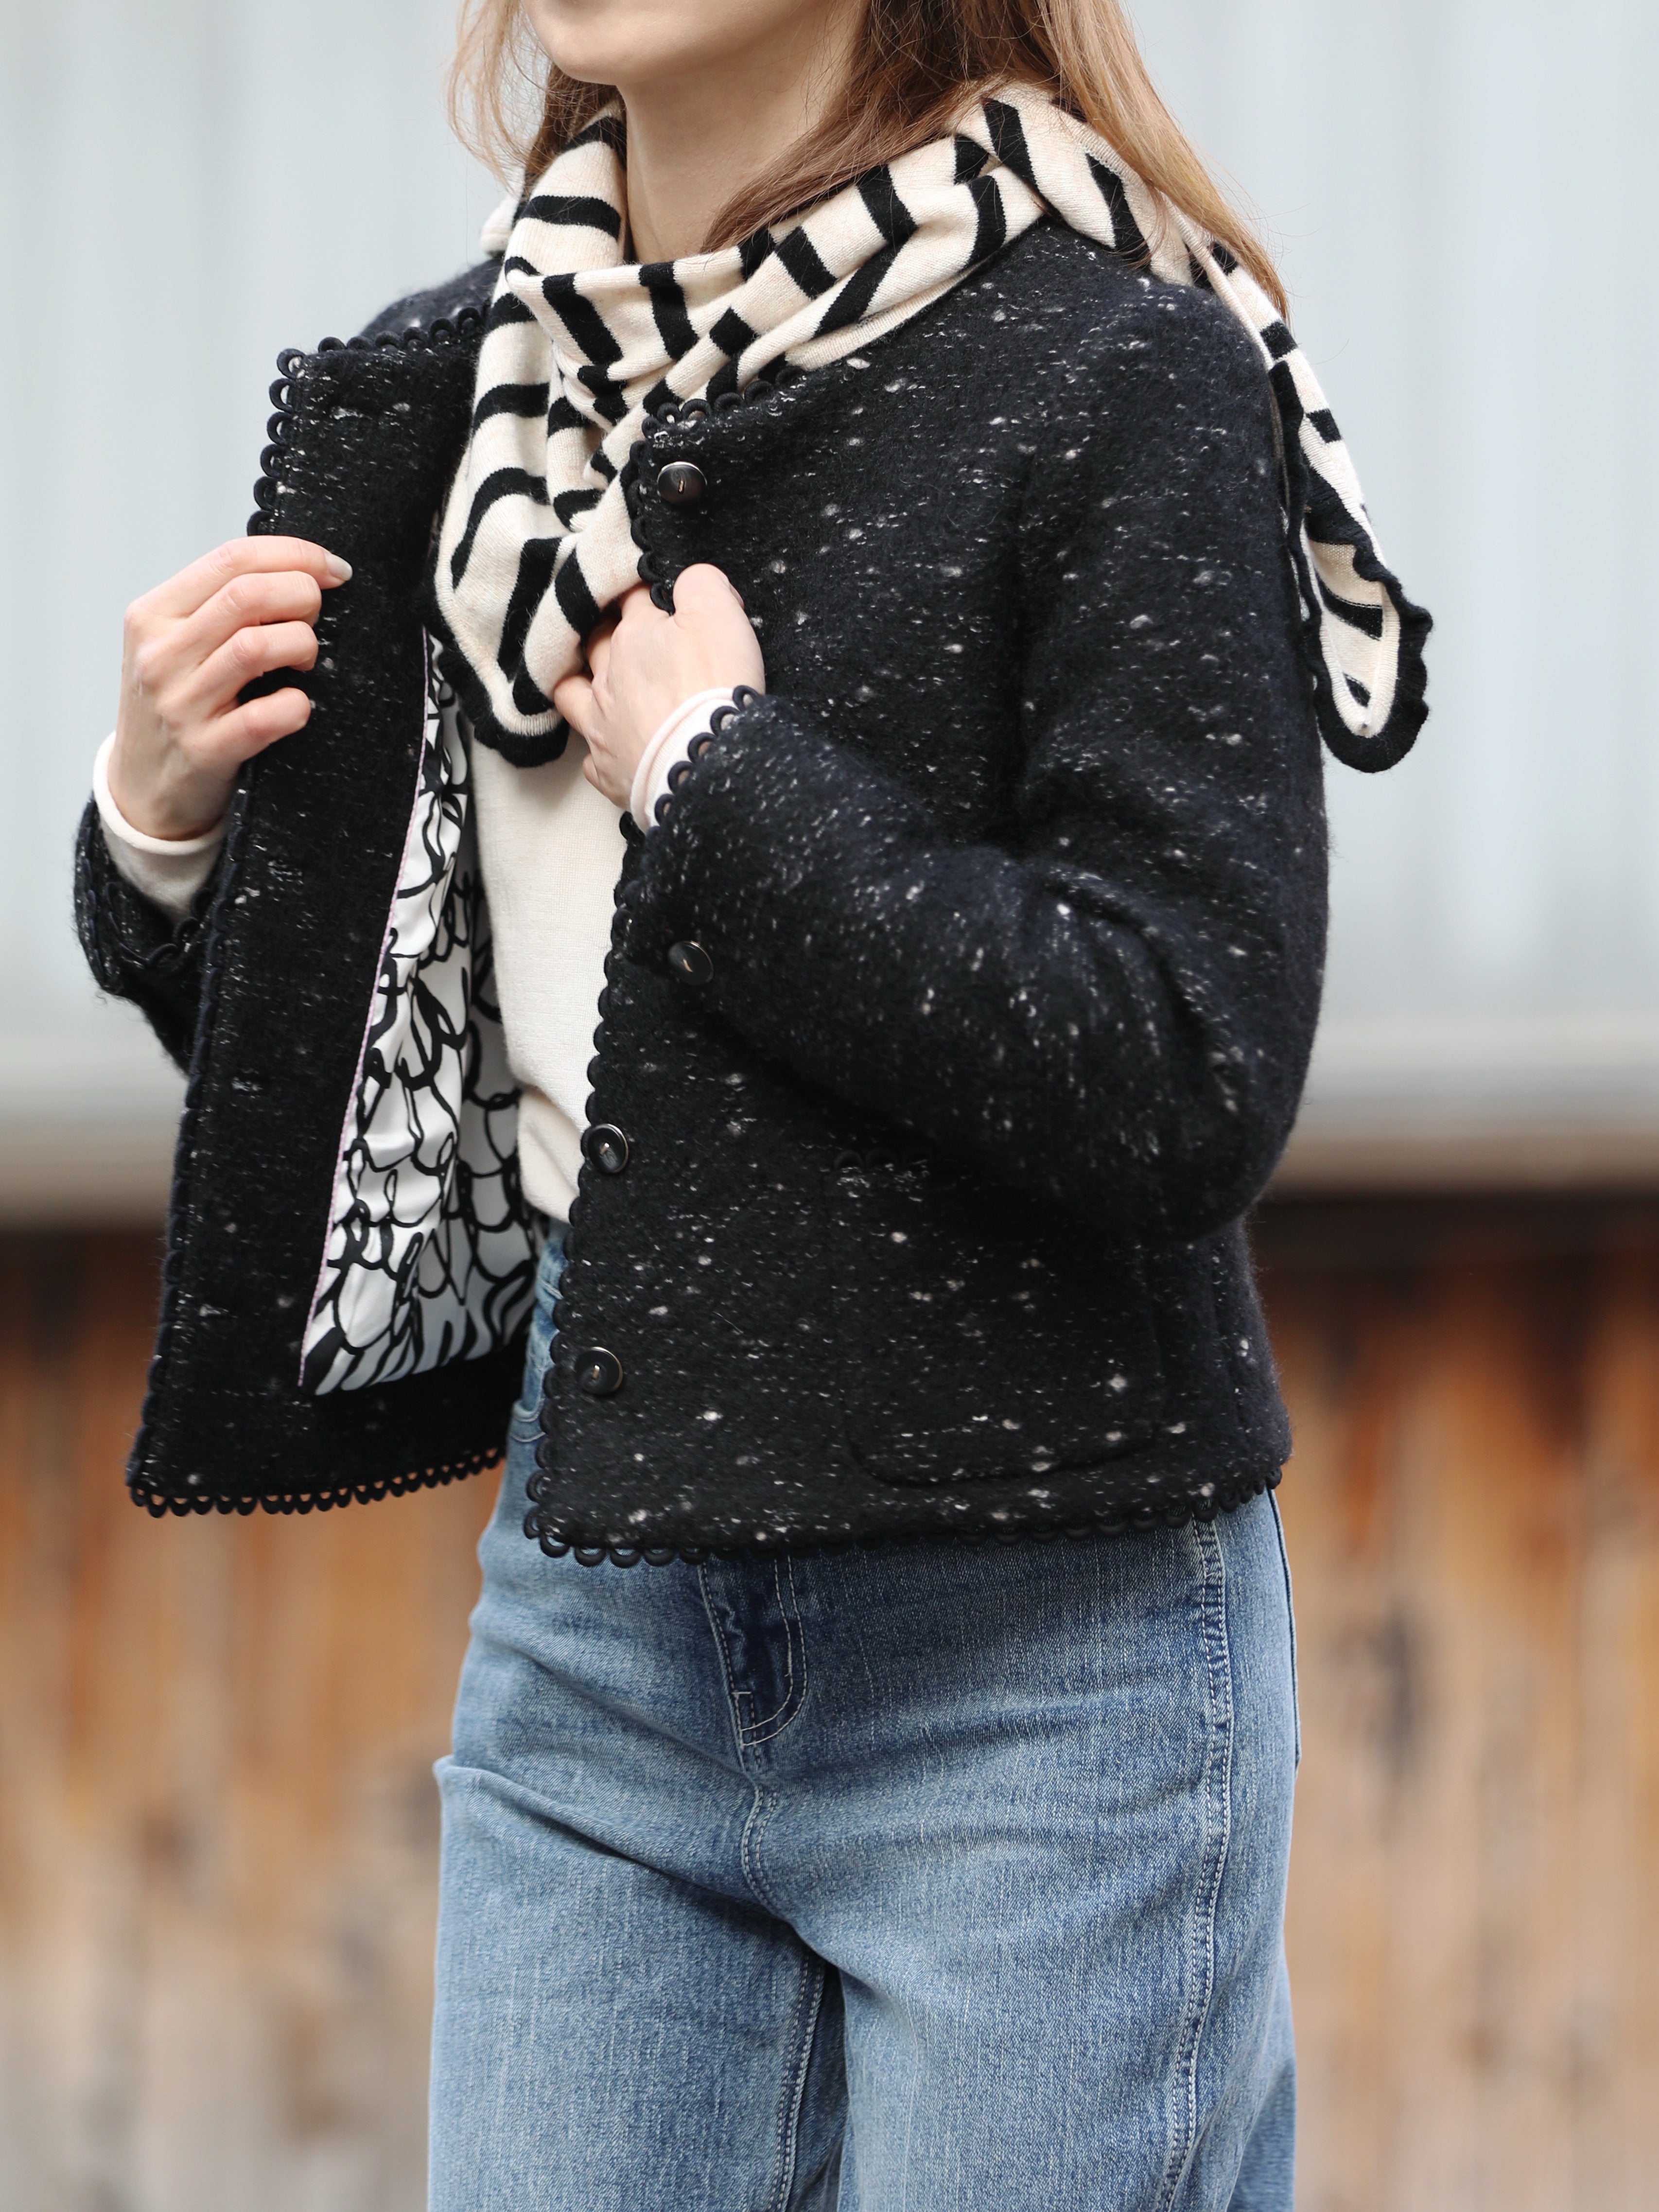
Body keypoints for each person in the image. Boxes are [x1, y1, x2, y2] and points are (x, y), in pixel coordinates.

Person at [76, 0, 1430, 2203]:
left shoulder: (1117, 370)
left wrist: (718, 789)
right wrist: (159, 831)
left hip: (1041, 1659)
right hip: (594, 1640)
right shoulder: (464, 409)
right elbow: (397, 1101)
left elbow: (1185, 1060)